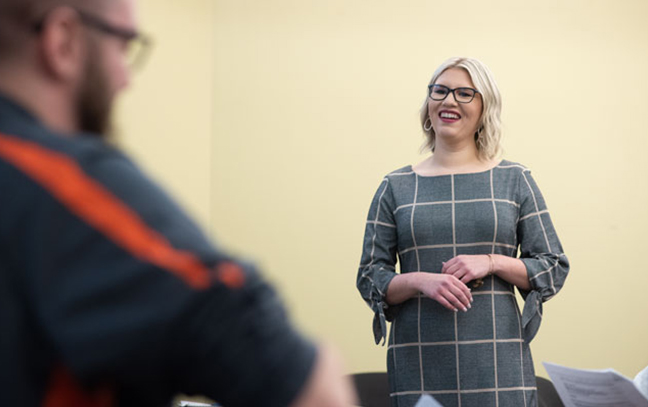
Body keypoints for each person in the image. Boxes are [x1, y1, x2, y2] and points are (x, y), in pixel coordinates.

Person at [0, 0, 356, 406]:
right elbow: (314, 393)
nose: (124, 80)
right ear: (63, 40)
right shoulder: (65, 191)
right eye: (123, 45)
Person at [356, 57, 569, 407]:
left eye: (464, 93)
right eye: (440, 91)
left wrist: (491, 262)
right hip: (418, 364)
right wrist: (420, 281)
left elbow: (553, 266)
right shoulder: (395, 187)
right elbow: (369, 277)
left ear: (485, 108)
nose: (449, 100)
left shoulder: (514, 180)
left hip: (499, 368)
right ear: (428, 105)